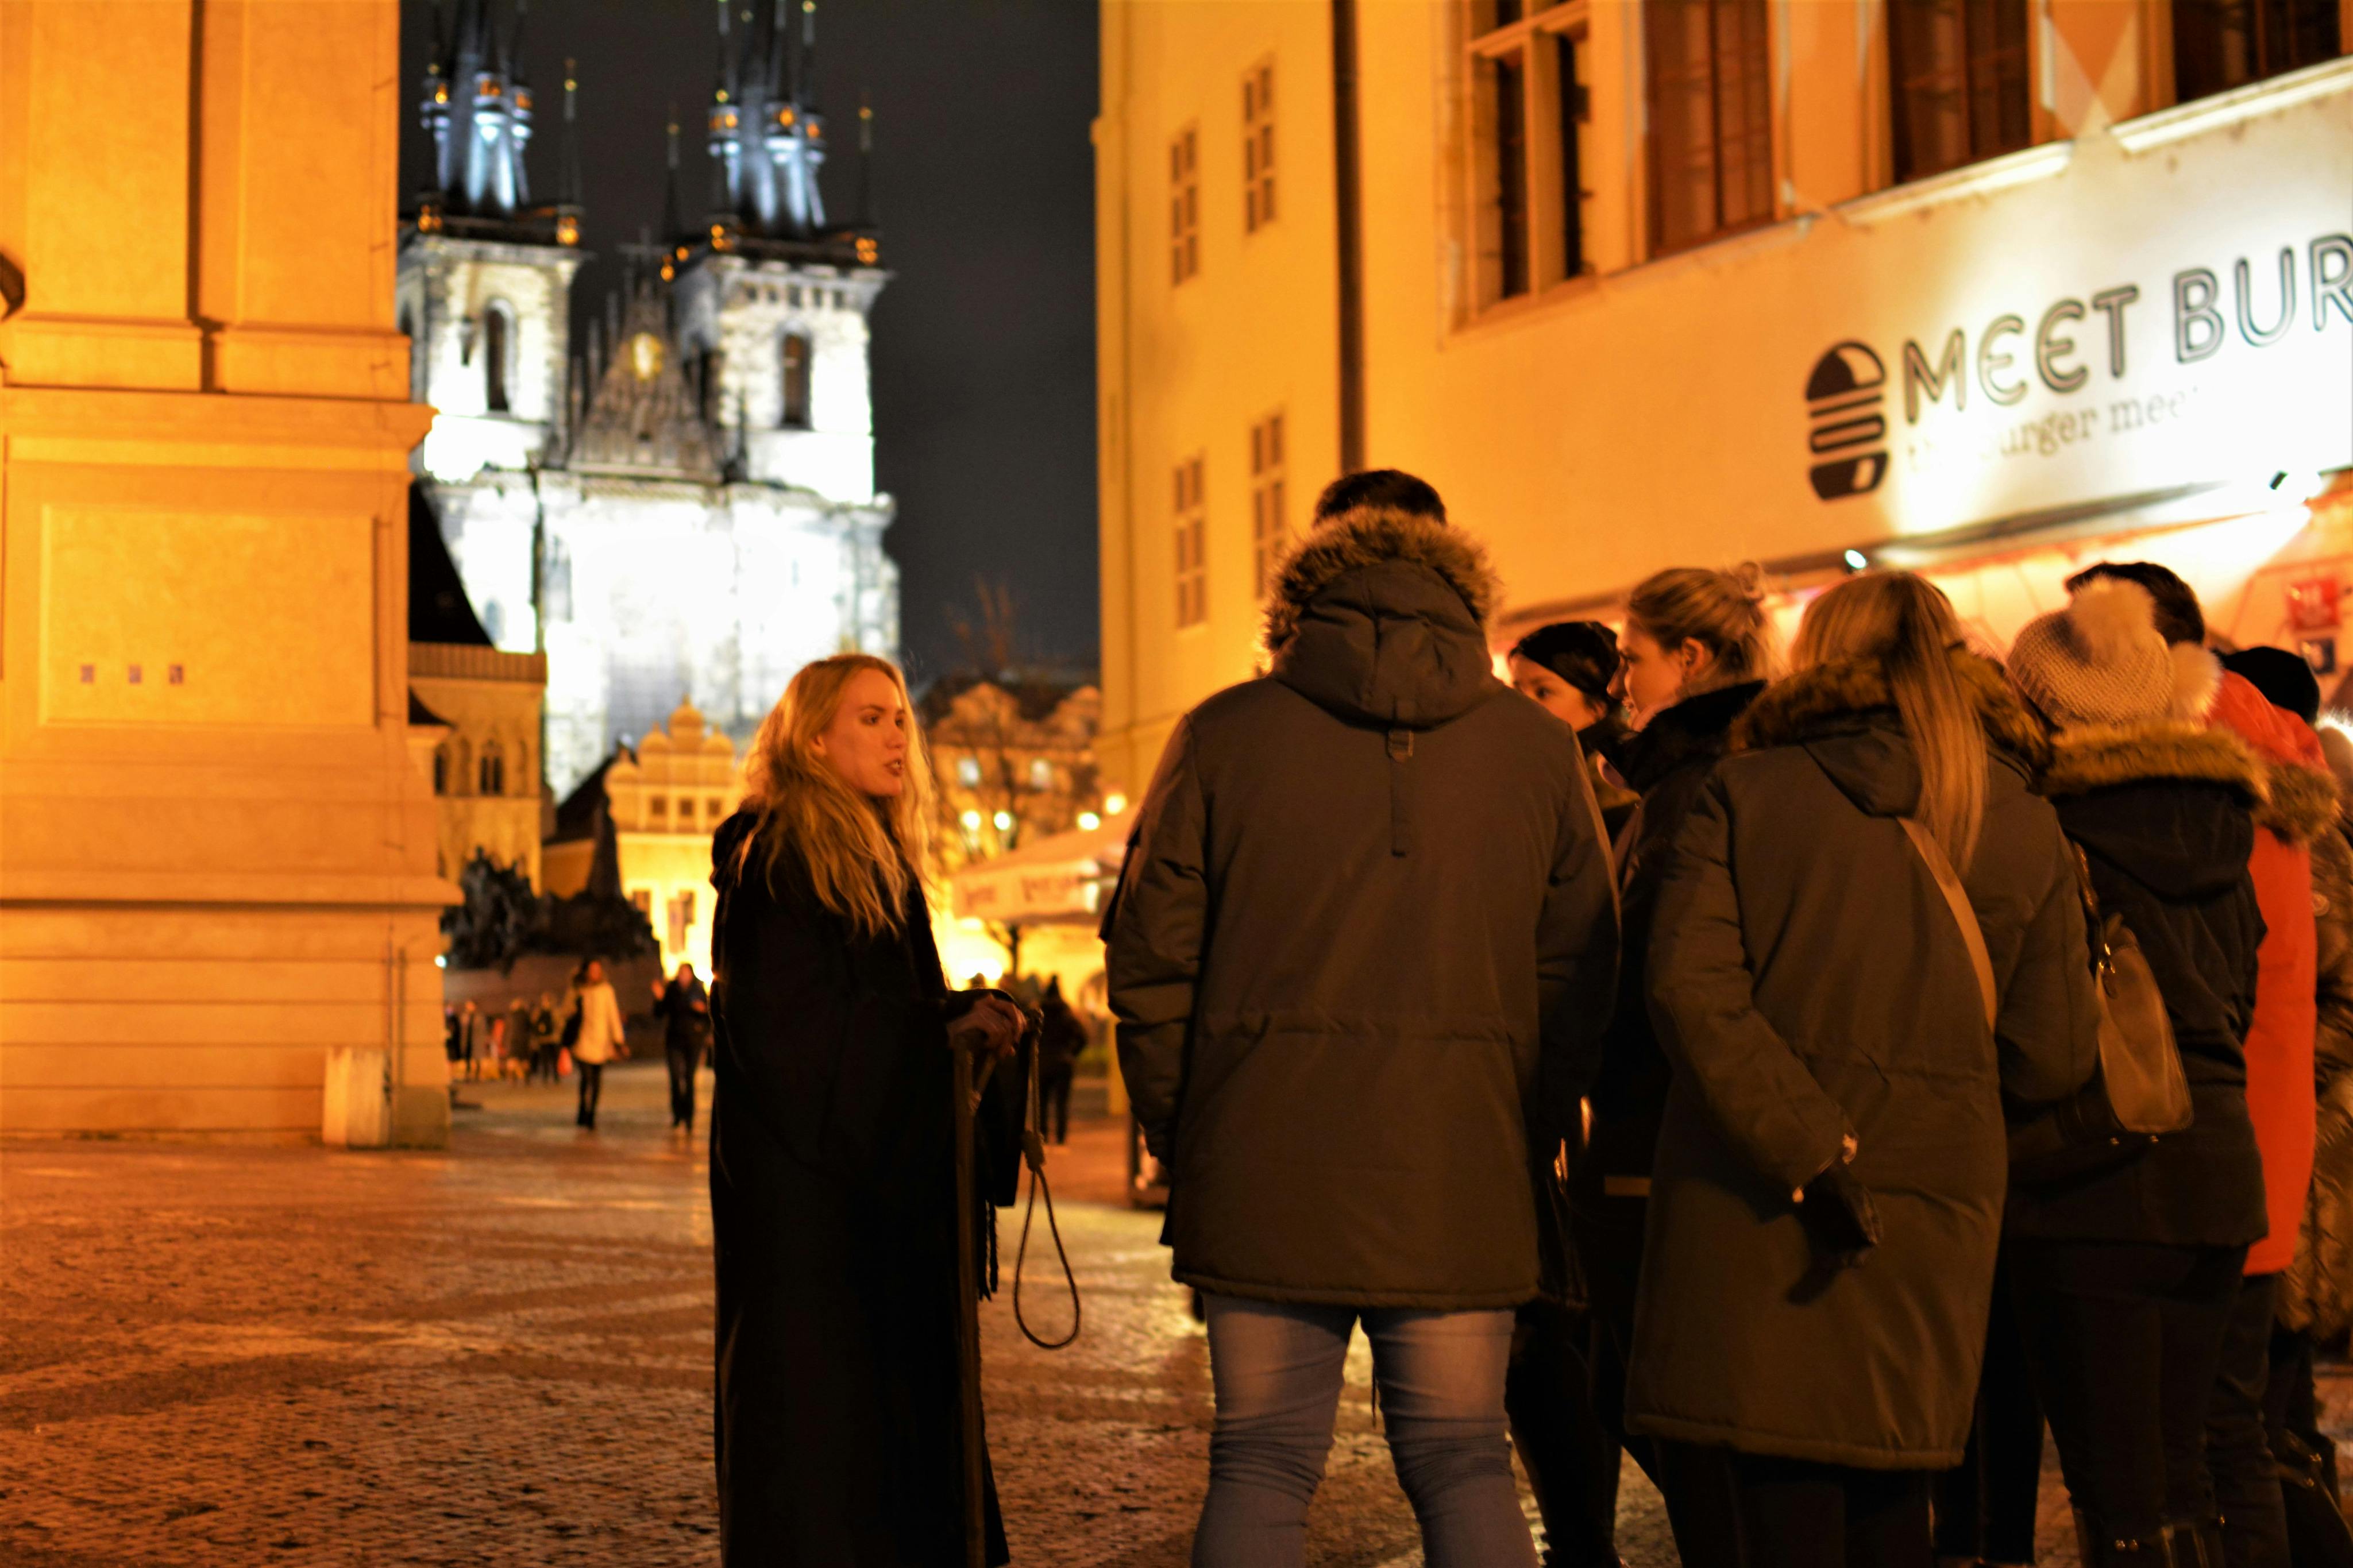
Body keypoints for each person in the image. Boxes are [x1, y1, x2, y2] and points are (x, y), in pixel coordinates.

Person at [1106, 474, 1619, 1568]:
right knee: (1464, 1457)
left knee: (1261, 1460)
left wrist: (1185, 1126)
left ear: (1305, 588)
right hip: (1461, 1158)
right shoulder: (1539, 752)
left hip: (1260, 1154)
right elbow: (1580, 969)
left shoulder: (1222, 734)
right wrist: (1522, 1121)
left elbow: (1152, 960)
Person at [1629, 571, 2099, 1568]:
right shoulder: (2017, 815)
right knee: (1896, 1502)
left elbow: (1687, 984)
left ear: (1819, 660)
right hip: (1934, 1206)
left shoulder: (1745, 792)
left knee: (1774, 1508)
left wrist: (1804, 1136)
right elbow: (2051, 1051)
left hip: (1757, 1196)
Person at [708, 652, 1025, 1567]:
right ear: (814, 740)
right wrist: (938, 1037)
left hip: (878, 1214)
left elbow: (879, 1017)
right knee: (824, 1448)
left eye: (900, 719)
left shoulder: (875, 854)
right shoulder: (778, 860)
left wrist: (961, 1020)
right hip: (817, 1221)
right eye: (871, 719)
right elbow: (800, 1036)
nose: (898, 735)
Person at [2069, 565, 2332, 1568]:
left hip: (2191, 1122)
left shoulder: (2188, 760)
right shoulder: (2267, 742)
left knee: (2199, 1445)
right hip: (2260, 1123)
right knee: (2234, 1430)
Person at [2001, 578, 2267, 1565]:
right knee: (2183, 1472)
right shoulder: (2226, 821)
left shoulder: (2047, 827)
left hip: (2094, 1179)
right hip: (2219, 1170)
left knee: (2116, 1499)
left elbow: (2040, 1018)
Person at [1567, 567, 1776, 1516]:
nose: (1621, 683)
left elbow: (1667, 966)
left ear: (1688, 658)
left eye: (1634, 658)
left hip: (1659, 1128)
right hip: (1667, 1123)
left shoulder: (1700, 783)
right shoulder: (1708, 771)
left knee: (1650, 1395)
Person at [1509, 620, 1639, 839]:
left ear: (1597, 708)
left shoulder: (1613, 789)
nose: (1521, 705)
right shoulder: (1533, 776)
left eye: (1543, 692)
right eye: (1516, 691)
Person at [653, 963, 713, 1133]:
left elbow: (708, 1016)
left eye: (686, 974)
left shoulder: (698, 990)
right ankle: (677, 1114)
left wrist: (702, 1012)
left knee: (689, 1078)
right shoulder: (672, 991)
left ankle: (689, 1116)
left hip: (693, 1041)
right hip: (674, 1040)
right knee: (674, 1077)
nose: (683, 977)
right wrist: (659, 998)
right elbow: (659, 1013)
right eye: (681, 973)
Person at [572, 959, 626, 1130]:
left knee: (596, 1081)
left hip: (601, 1042)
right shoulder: (579, 990)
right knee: (586, 1078)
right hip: (582, 1040)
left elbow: (613, 1016)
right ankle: (583, 1108)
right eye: (592, 970)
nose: (596, 973)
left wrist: (618, 1040)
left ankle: (591, 1114)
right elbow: (568, 1013)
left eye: (598, 970)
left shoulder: (607, 991)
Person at [1034, 976, 1086, 1145]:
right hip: (1063, 1062)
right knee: (1061, 1103)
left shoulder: (1038, 1015)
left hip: (1042, 1063)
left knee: (1041, 1103)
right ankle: (1061, 1138)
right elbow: (1083, 1037)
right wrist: (1072, 1053)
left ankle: (1043, 1136)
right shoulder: (1067, 1014)